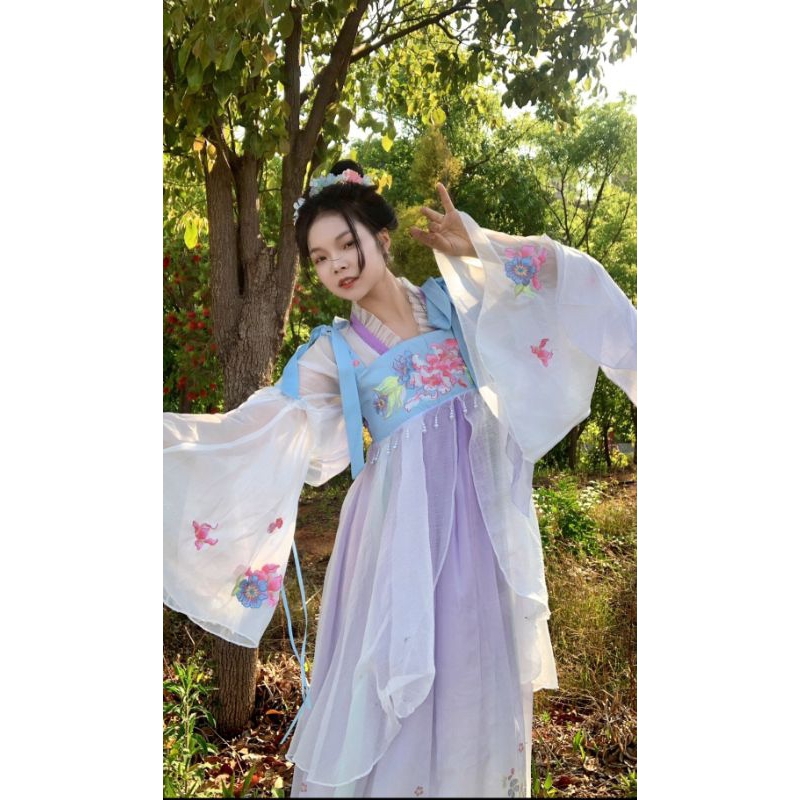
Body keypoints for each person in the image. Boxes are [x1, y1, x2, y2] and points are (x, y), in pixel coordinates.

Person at [163, 160, 637, 797]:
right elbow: (252, 429)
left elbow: (559, 284)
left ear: (381, 238)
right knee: (395, 681)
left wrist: (483, 247)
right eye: (320, 256)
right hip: (396, 538)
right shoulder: (332, 352)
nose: (337, 264)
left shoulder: (451, 304)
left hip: (478, 527)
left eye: (347, 243)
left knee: (472, 669)